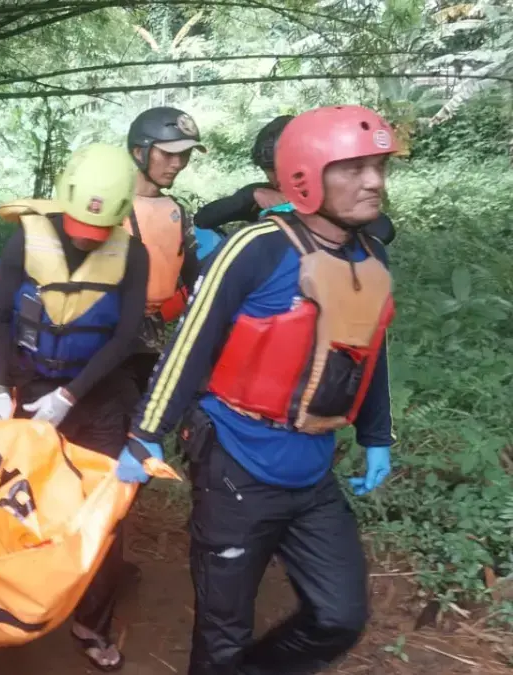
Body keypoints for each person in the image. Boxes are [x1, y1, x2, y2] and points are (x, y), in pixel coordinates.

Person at [115, 105, 397, 675]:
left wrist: (376, 434)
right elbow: (190, 344)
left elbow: (369, 351)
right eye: (354, 168)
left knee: (340, 616)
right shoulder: (256, 248)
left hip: (312, 467)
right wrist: (147, 434)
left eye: (379, 167)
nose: (374, 181)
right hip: (236, 464)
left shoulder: (371, 256)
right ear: (305, 177)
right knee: (224, 632)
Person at [0, 143, 147, 671]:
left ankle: (91, 620)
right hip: (29, 384)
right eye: (80, 228)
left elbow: (124, 337)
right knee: (16, 498)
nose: (87, 240)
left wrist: (70, 395)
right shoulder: (25, 241)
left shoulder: (131, 253)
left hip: (94, 395)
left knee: (102, 513)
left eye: (99, 232)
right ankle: (10, 600)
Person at [195, 115, 396, 245]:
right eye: (271, 175)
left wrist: (300, 207)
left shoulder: (330, 196)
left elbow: (384, 230)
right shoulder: (261, 193)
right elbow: (204, 219)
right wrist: (252, 196)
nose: (279, 182)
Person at [122, 107, 203, 393]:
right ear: (139, 152)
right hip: (107, 329)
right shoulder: (109, 206)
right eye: (168, 154)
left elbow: (195, 274)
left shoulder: (177, 211)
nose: (178, 163)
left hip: (150, 333)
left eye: (184, 155)